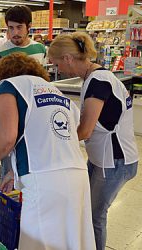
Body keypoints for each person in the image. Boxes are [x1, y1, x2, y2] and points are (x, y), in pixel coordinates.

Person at [0, 52, 95, 249]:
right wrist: (12, 172)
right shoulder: (57, 92)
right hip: (77, 175)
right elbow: (50, 138)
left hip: (43, 181)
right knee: (72, 239)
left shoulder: (9, 86)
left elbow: (7, 138)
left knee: (38, 240)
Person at [48, 32, 139, 250]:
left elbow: (85, 130)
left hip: (115, 161)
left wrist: (53, 143)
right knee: (85, 208)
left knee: (95, 216)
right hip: (103, 158)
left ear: (69, 58)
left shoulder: (99, 82)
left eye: (57, 63)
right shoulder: (95, 77)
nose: (57, 69)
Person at [0, 5, 47, 180]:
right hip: (8, 112)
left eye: (19, 27)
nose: (15, 32)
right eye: (11, 28)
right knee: (8, 152)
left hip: (33, 112)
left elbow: (41, 80)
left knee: (32, 150)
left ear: (29, 27)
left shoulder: (40, 50)